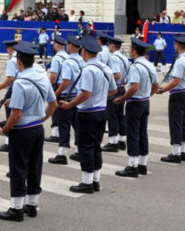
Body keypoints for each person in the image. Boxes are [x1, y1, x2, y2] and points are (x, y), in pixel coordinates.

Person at [0, 41, 57, 219]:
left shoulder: (20, 82)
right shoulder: (41, 78)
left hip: (21, 131)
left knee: (18, 168)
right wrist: (42, 118)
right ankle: (32, 204)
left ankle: (16, 208)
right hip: (37, 129)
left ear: (19, 62)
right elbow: (53, 104)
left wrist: (5, 130)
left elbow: (15, 115)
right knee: (34, 166)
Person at [61, 36, 116, 191]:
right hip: (101, 111)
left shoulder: (87, 70)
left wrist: (70, 104)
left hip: (87, 113)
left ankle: (87, 182)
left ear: (84, 52)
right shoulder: (105, 68)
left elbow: (85, 94)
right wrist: (100, 96)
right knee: (96, 146)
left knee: (85, 147)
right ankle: (96, 180)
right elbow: (114, 90)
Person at [113, 38, 158, 177]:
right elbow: (155, 85)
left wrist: (121, 99)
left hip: (135, 103)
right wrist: (147, 95)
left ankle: (132, 165)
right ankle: (142, 164)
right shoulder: (150, 65)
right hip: (145, 102)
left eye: (131, 49)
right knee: (142, 133)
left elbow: (134, 87)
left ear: (134, 51)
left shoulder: (135, 67)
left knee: (133, 134)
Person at [157, 34, 185, 163]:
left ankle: (175, 153)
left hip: (178, 94)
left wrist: (163, 90)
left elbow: (176, 81)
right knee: (183, 122)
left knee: (175, 123)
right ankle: (183, 151)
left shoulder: (180, 60)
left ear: (177, 45)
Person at [102, 36, 129, 152]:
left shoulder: (113, 58)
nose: (108, 47)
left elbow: (116, 75)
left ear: (112, 45)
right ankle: (122, 140)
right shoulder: (124, 58)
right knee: (119, 115)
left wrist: (105, 81)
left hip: (115, 88)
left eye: (109, 45)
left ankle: (113, 142)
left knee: (112, 115)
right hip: (122, 87)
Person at [0, 40, 18, 153]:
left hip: (12, 90)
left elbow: (11, 78)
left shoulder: (12, 60)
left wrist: (0, 87)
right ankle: (14, 140)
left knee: (10, 115)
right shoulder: (19, 57)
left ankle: (8, 142)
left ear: (9, 48)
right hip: (19, 89)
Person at [45, 35, 68, 143]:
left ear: (57, 45)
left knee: (54, 109)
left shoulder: (56, 58)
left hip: (58, 85)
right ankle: (61, 132)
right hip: (67, 86)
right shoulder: (68, 57)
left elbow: (53, 76)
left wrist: (49, 87)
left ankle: (55, 133)